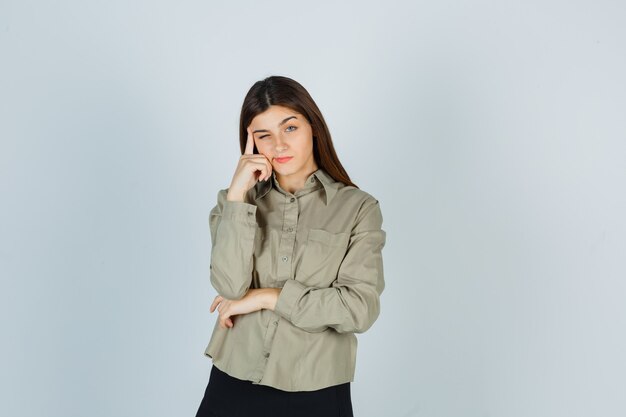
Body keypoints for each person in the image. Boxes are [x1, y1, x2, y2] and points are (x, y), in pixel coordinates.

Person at [195, 75, 386, 417]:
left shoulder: (359, 209)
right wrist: (238, 196)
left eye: (290, 128)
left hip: (316, 389)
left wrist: (268, 297)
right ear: (249, 144)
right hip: (233, 380)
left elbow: (359, 308)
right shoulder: (235, 203)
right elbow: (229, 285)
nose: (279, 145)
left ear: (313, 127)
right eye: (264, 135)